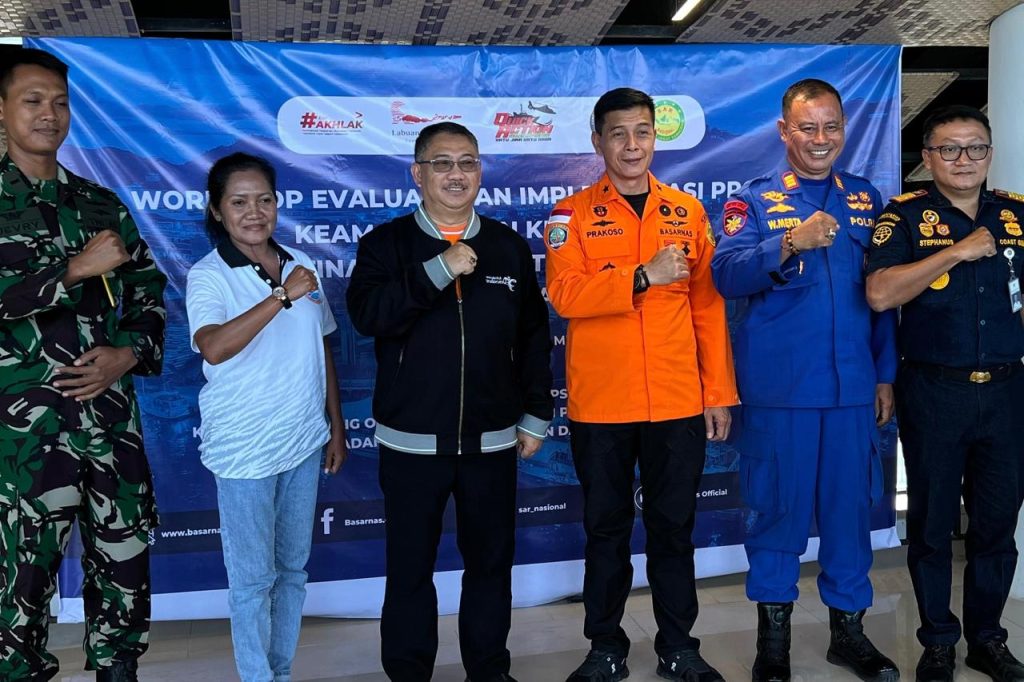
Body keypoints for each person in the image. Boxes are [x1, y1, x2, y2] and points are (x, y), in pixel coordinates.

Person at [346, 121, 553, 682]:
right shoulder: (386, 244)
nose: (456, 174)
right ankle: (408, 672)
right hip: (411, 443)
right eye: (442, 163)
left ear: (480, 171)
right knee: (409, 569)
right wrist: (440, 268)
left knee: (490, 565)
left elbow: (534, 336)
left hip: (492, 441)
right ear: (418, 174)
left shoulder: (507, 246)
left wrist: (537, 413)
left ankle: (489, 670)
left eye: (467, 162)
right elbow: (369, 316)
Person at [545, 87, 737, 682]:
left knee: (673, 530)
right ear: (597, 141)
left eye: (643, 132)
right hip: (602, 405)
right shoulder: (570, 215)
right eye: (619, 133)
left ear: (656, 137)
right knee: (605, 532)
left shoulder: (687, 211)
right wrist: (640, 276)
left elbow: (707, 307)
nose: (632, 145)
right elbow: (565, 295)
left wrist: (717, 392)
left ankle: (679, 647)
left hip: (677, 401)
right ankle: (605, 648)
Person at [710, 78, 900, 682]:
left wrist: (884, 375)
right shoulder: (753, 200)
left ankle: (850, 634)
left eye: (831, 127)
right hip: (781, 392)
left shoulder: (866, 198)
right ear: (784, 131)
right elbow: (726, 274)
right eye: (808, 127)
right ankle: (773, 644)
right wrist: (790, 241)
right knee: (777, 514)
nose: (821, 139)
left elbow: (881, 298)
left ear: (844, 130)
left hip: (851, 392)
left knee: (849, 516)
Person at [0, 48, 167, 682]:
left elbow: (149, 290)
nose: (50, 114)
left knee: (124, 569)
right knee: (19, 583)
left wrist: (129, 353)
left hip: (109, 425)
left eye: (61, 102)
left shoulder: (101, 205)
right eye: (33, 100)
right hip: (22, 439)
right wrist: (72, 271)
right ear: (1, 110)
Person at [866, 105, 1024, 682]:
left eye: (975, 147)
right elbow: (880, 293)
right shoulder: (903, 216)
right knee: (932, 527)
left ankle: (987, 640)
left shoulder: (1016, 214)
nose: (964, 160)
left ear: (989, 153)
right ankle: (937, 641)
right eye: (949, 149)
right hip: (934, 391)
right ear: (928, 157)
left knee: (996, 526)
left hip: (1007, 393)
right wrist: (956, 251)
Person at [185, 152, 346, 682]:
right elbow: (213, 347)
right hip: (243, 448)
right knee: (253, 580)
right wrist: (281, 295)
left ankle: (280, 672)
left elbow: (322, 345)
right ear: (217, 210)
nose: (254, 212)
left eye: (264, 200)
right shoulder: (209, 275)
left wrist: (335, 427)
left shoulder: (300, 263)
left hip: (303, 440)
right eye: (239, 202)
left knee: (292, 572)